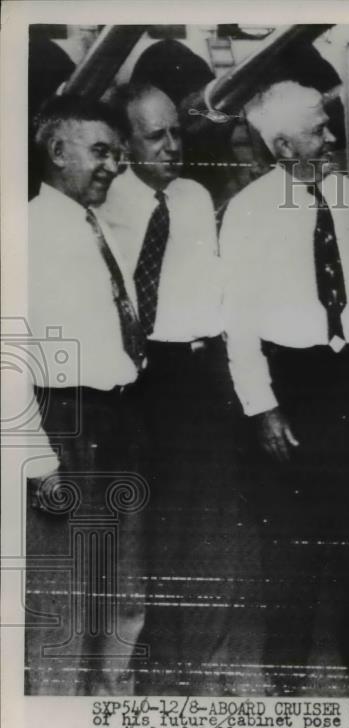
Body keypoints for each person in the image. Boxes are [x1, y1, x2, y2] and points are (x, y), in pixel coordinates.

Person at [221, 81, 349, 694]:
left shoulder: (346, 194)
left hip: (346, 375)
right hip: (289, 381)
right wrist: (263, 409)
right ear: (284, 144)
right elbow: (237, 318)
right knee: (289, 535)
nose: (332, 138)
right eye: (319, 129)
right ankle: (286, 665)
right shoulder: (249, 211)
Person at [98, 83, 253, 694]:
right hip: (137, 374)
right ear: (127, 141)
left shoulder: (194, 197)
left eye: (176, 133)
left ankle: (202, 664)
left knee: (209, 527)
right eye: (155, 136)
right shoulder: (105, 197)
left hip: (198, 374)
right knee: (142, 527)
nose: (171, 146)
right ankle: (143, 663)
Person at [26, 94, 146, 695]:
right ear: (56, 151)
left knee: (122, 589)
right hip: (61, 423)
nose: (112, 165)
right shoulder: (22, 230)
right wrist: (37, 460)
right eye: (100, 151)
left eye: (118, 154)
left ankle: (111, 721)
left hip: (115, 418)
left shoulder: (95, 226)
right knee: (64, 602)